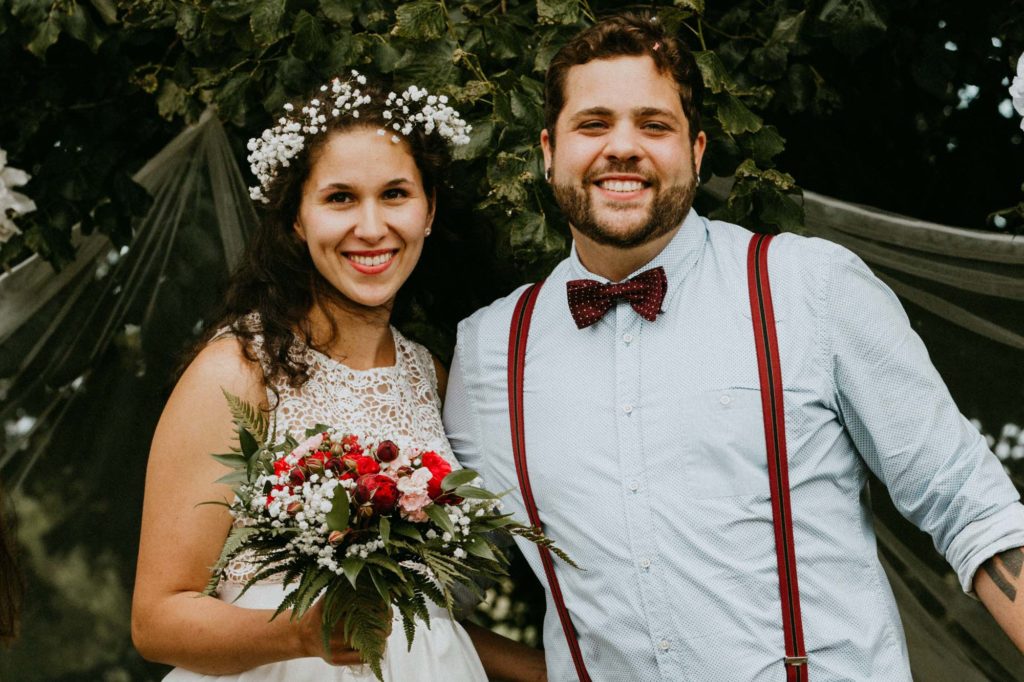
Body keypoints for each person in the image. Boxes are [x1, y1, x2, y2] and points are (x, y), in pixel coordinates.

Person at [443, 13, 1024, 681]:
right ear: (549, 150)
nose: (622, 147)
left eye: (654, 125)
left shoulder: (810, 288)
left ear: (696, 151)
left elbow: (971, 509)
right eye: (594, 124)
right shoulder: (490, 352)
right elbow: (441, 593)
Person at [132, 72, 546, 682]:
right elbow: (157, 620)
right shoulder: (239, 370)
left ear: (429, 210)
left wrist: (560, 672)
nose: (372, 227)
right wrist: (304, 633)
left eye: (396, 194)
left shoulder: (429, 375)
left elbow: (423, 617)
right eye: (340, 198)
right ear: (297, 218)